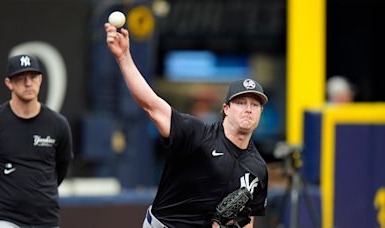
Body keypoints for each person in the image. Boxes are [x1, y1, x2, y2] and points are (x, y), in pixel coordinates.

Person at [105, 24, 268, 228]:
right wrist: (124, 58)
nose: (248, 109)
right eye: (241, 103)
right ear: (226, 108)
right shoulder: (197, 133)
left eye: (255, 104)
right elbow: (152, 105)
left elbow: (247, 220)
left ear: (261, 112)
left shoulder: (257, 168)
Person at [0, 54, 73, 228]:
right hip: (3, 216)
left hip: (45, 217)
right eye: (21, 78)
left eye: (33, 77)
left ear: (40, 80)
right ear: (8, 83)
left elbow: (61, 168)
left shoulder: (58, 124)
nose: (28, 83)